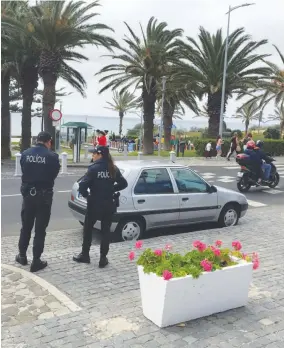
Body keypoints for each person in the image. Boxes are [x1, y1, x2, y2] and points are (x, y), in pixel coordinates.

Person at [73, 146, 128, 268]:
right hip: (108, 203)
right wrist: (111, 189)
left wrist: (87, 196)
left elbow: (82, 187)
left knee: (88, 229)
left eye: (94, 154)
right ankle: (103, 258)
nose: (93, 156)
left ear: (100, 154)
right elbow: (124, 183)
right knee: (105, 231)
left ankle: (85, 255)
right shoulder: (113, 168)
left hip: (94, 204)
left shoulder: (93, 168)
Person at [16, 131, 60, 272]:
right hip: (44, 197)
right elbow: (54, 174)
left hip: (28, 196)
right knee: (40, 230)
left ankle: (22, 256)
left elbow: (24, 170)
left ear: (37, 140)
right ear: (49, 141)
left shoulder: (26, 153)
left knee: (26, 227)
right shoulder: (52, 157)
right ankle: (36, 261)